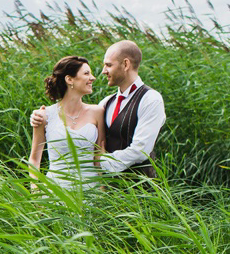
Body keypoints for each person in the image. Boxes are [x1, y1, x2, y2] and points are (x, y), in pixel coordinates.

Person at [32, 40, 165, 178]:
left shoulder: (151, 99)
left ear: (126, 64)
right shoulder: (106, 103)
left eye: (108, 65)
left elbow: (140, 150)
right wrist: (39, 117)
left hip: (140, 187)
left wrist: (101, 162)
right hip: (107, 187)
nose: (103, 71)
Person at [28, 55, 106, 191]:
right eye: (86, 73)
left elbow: (99, 155)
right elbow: (34, 159)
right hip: (55, 190)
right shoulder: (44, 116)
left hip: (90, 190)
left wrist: (102, 189)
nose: (92, 78)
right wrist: (36, 191)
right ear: (69, 79)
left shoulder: (97, 112)